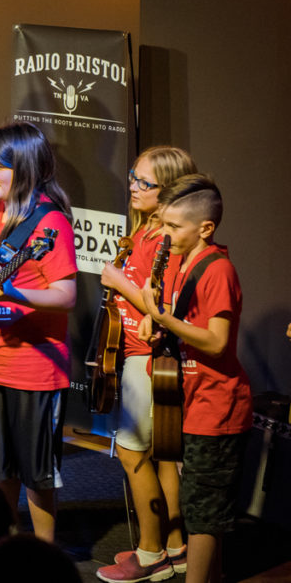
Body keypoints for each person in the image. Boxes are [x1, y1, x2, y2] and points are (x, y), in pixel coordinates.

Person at [0, 122, 76, 542]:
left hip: (35, 369)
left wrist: (13, 291)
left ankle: (44, 555)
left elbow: (66, 294)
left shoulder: (50, 223)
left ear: (23, 168)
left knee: (37, 473)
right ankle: (5, 545)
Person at [138, 174, 252, 583]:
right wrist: (157, 326)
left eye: (172, 227)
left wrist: (165, 318)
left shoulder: (218, 270)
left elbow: (218, 342)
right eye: (162, 224)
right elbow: (186, 325)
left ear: (205, 228)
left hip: (216, 408)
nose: (163, 234)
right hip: (191, 401)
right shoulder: (182, 262)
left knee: (203, 517)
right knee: (200, 507)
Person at [95, 146, 197, 583]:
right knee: (160, 457)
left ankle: (151, 552)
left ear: (170, 190)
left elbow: (162, 308)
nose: (133, 188)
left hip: (147, 358)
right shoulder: (145, 233)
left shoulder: (168, 240)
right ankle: (175, 547)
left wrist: (118, 281)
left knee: (135, 454)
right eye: (133, 178)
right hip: (136, 355)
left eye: (144, 183)